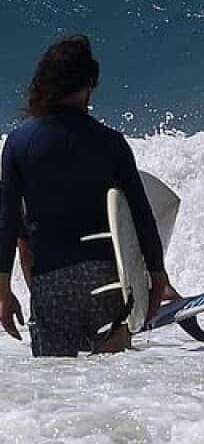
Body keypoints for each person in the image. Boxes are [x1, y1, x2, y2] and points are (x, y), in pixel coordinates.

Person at [0, 35, 170, 356]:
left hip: (50, 283)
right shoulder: (111, 143)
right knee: (111, 391)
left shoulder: (18, 144)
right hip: (105, 281)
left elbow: (7, 223)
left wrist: (3, 290)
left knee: (57, 389)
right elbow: (139, 214)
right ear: (90, 81)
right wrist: (156, 273)